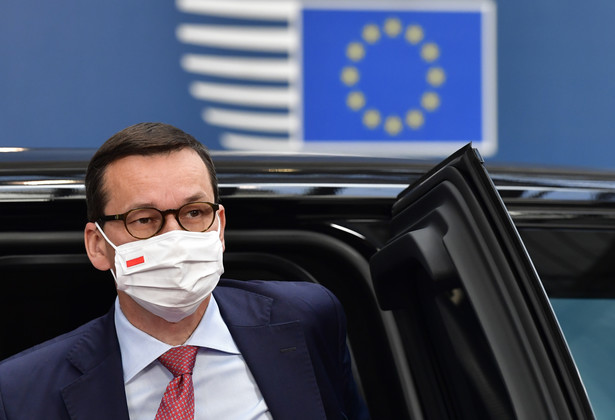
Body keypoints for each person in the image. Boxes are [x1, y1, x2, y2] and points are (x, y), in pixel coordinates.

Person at [0, 122, 370, 419]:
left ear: (219, 226)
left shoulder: (308, 318)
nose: (175, 237)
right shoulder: (21, 390)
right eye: (143, 219)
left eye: (194, 213)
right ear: (98, 245)